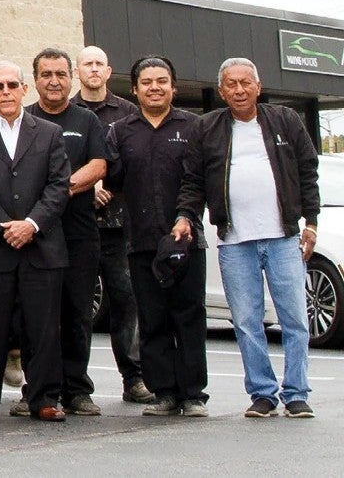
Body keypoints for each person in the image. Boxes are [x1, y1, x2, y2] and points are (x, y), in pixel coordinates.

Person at [178, 57, 319, 419]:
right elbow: (192, 181)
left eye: (246, 82)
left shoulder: (285, 120)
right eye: (231, 84)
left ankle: (297, 392)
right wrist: (185, 216)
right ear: (222, 90)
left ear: (258, 86)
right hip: (235, 241)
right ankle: (262, 393)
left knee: (294, 319)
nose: (239, 90)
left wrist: (312, 223)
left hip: (283, 237)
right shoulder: (207, 127)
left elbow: (308, 171)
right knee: (246, 321)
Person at [0, 61, 71, 422]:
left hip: (42, 246)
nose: (5, 92)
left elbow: (58, 186)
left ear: (25, 89)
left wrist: (32, 224)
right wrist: (4, 226)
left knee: (43, 328)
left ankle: (44, 398)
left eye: (12, 85)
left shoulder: (50, 133)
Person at [104, 55, 211, 418]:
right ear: (134, 89)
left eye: (161, 80)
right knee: (152, 319)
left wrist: (186, 216)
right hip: (140, 242)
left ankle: (193, 394)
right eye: (146, 82)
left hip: (186, 240)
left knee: (189, 316)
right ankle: (164, 392)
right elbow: (114, 181)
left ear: (173, 87)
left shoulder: (195, 126)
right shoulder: (121, 131)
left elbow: (199, 181)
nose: (154, 87)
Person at [25, 48, 111, 418]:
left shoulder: (87, 120)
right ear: (36, 79)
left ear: (71, 78)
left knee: (77, 312)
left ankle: (77, 389)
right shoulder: (25, 118)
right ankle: (40, 390)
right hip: (37, 233)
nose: (54, 81)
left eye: (61, 74)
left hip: (78, 232)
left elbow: (99, 163)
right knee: (38, 315)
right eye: (46, 75)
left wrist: (58, 189)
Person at [74, 46, 152, 405]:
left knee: (126, 302)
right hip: (78, 224)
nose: (93, 69)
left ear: (108, 72)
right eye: (87, 64)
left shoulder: (128, 113)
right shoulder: (67, 112)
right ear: (78, 71)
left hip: (121, 226)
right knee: (78, 308)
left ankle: (134, 379)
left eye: (99, 64)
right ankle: (76, 386)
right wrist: (88, 189)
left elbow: (136, 164)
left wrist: (112, 186)